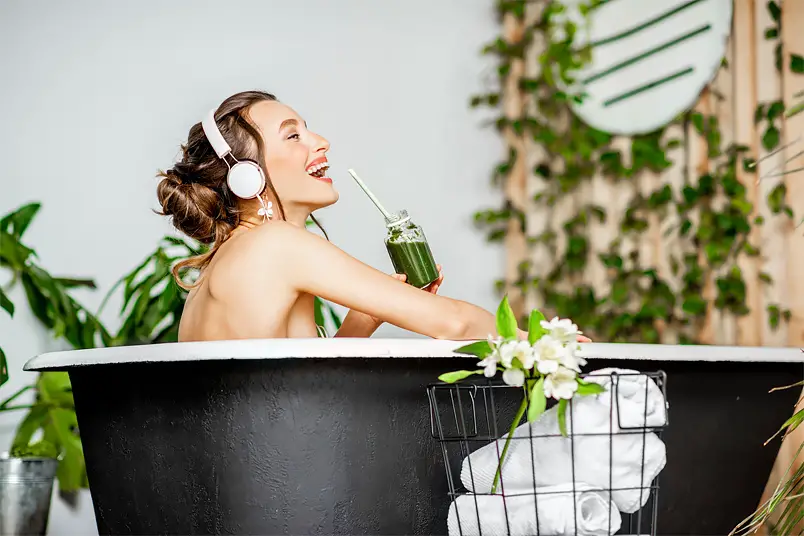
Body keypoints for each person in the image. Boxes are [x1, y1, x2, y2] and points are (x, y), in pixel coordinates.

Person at [156, 90, 590, 344]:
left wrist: (362, 322)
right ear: (248, 175)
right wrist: (546, 343)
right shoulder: (276, 245)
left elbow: (289, 392)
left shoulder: (225, 264)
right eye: (294, 135)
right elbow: (453, 324)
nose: (321, 141)